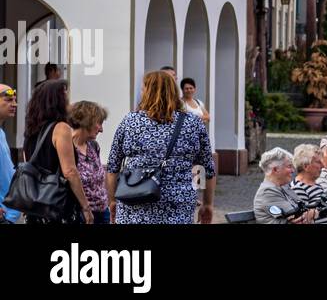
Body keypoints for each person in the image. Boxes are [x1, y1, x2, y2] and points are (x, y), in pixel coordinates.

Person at [106, 70, 215, 224]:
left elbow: (112, 168)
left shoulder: (130, 121)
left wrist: (112, 201)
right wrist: (208, 203)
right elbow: (206, 168)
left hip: (134, 202)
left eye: (143, 89)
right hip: (178, 206)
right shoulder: (193, 123)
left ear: (147, 92)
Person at [22, 79, 93, 224]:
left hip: (36, 206)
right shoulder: (61, 128)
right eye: (66, 97)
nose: (69, 102)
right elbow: (70, 172)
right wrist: (85, 207)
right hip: (58, 205)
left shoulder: (30, 131)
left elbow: (28, 165)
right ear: (56, 102)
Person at [69, 101, 110, 224]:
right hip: (82, 215)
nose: (101, 129)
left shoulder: (93, 145)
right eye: (99, 123)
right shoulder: (67, 148)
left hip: (102, 212)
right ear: (87, 121)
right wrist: (85, 209)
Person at [254, 148, 316, 224]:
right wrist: (311, 213)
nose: (293, 170)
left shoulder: (283, 187)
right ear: (275, 169)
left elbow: (303, 209)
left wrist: (309, 213)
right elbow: (297, 214)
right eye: (289, 166)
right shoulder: (267, 192)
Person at [0, 84, 19, 224]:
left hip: (9, 213)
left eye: (14, 100)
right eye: (8, 99)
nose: (14, 104)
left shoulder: (1, 133)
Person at [290, 144, 326, 211]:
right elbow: (304, 218)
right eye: (318, 162)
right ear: (306, 166)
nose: (323, 166)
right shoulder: (298, 188)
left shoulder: (317, 185)